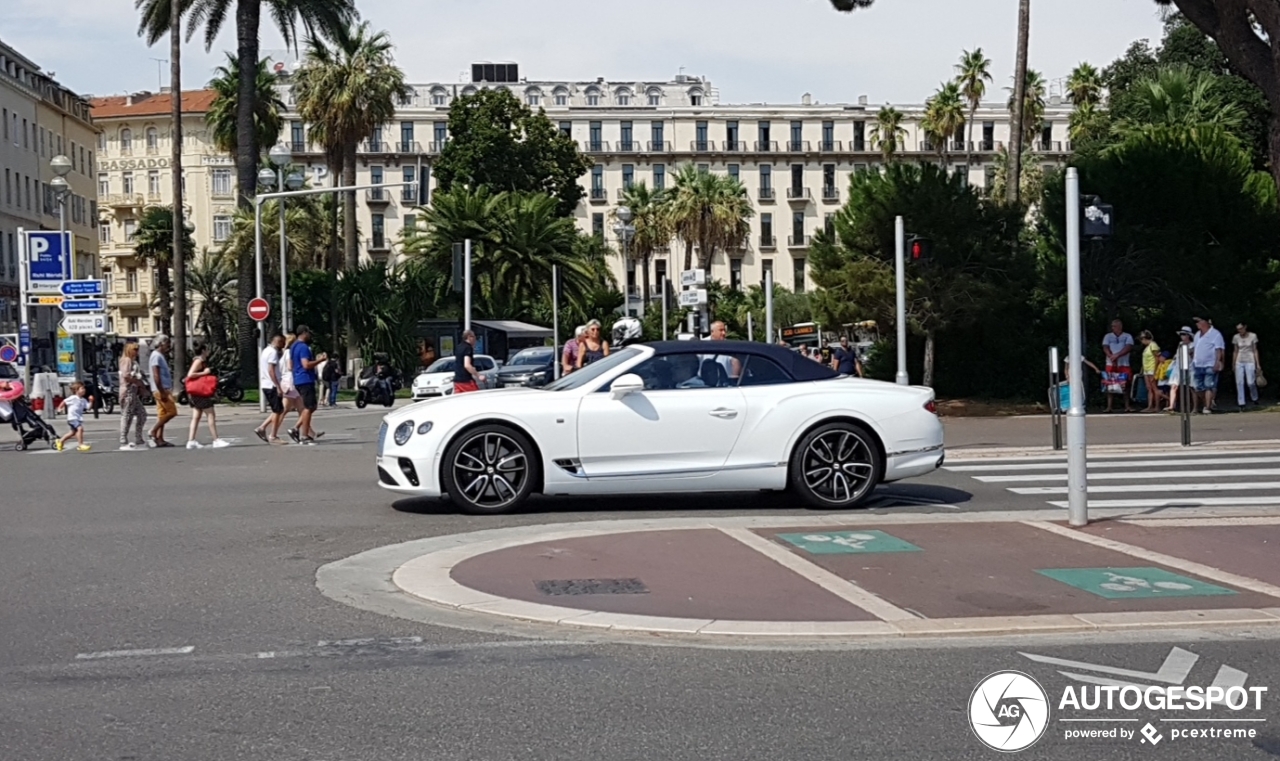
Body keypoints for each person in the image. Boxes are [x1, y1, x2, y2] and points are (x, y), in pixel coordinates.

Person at [184, 342, 229, 449]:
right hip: (200, 392)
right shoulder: (199, 361)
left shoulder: (200, 361)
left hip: (196, 393)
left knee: (196, 416)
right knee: (210, 414)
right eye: (207, 349)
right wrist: (204, 373)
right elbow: (190, 374)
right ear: (203, 350)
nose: (209, 351)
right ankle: (216, 439)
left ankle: (191, 440)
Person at [287, 325, 326, 444]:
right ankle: (304, 435)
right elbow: (306, 364)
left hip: (298, 379)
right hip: (305, 379)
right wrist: (321, 360)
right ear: (304, 333)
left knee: (311, 407)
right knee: (309, 407)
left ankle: (296, 428)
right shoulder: (304, 347)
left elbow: (291, 364)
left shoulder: (293, 346)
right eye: (308, 333)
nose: (309, 335)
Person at [254, 333, 285, 444]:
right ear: (278, 341)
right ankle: (273, 436)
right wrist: (278, 386)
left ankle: (262, 428)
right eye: (282, 342)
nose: (283, 345)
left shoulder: (266, 350)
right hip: (271, 385)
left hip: (266, 384)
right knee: (278, 411)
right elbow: (271, 370)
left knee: (278, 410)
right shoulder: (272, 353)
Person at [147, 334, 177, 447]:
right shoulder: (156, 356)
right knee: (172, 412)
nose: (169, 345)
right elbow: (156, 375)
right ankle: (153, 431)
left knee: (162, 414)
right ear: (161, 344)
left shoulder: (159, 356)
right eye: (167, 343)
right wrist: (162, 391)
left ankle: (160, 439)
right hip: (161, 389)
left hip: (162, 388)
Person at [1191, 316, 1225, 414]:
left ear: (1205, 322)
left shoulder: (1215, 334)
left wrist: (1218, 362)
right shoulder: (1197, 334)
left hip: (1210, 364)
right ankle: (1208, 402)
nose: (1197, 323)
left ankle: (1207, 407)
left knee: (1208, 386)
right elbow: (1196, 349)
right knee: (1198, 387)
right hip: (1197, 364)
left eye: (1199, 321)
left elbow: (1219, 350)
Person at [117, 342, 148, 450]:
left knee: (142, 414)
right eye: (135, 349)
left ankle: (138, 438)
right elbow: (126, 376)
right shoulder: (127, 360)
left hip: (133, 391)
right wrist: (138, 382)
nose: (137, 351)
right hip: (128, 390)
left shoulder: (132, 361)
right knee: (127, 415)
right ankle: (123, 439)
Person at [1101, 319, 1134, 413]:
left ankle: (1127, 406)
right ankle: (1109, 407)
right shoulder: (1108, 336)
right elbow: (1105, 347)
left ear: (1120, 326)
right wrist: (1111, 356)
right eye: (1112, 326)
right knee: (1109, 384)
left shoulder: (1127, 336)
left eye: (1114, 326)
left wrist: (1118, 355)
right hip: (1110, 363)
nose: (1113, 328)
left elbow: (1128, 347)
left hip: (1124, 364)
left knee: (1126, 384)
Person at [53, 382, 91, 452]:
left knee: (72, 433)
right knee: (80, 429)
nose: (84, 390)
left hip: (78, 418)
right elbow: (64, 401)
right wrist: (59, 408)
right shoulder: (73, 398)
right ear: (76, 390)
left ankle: (60, 441)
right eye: (82, 388)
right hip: (72, 418)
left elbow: (88, 407)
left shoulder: (83, 400)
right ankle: (80, 445)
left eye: (84, 388)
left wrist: (91, 401)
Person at [1165, 327, 1195, 412]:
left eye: (1184, 334)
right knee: (1173, 386)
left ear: (1188, 335)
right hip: (1178, 367)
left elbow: (1193, 356)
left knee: (1192, 387)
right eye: (1181, 334)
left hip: (1189, 367)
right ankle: (1171, 406)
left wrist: (1191, 352)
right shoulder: (1180, 344)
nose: (1182, 336)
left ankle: (1195, 407)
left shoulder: (1192, 344)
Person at [1233, 323, 1262, 410]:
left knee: (1250, 382)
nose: (1240, 331)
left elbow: (1255, 350)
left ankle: (1254, 397)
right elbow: (1235, 350)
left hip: (1250, 360)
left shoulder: (1253, 336)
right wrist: (1233, 363)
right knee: (1239, 382)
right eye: (1238, 329)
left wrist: (1258, 364)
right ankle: (1241, 402)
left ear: (1245, 327)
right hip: (1239, 360)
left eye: (1241, 328)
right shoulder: (1236, 337)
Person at [1138, 330, 1163, 412]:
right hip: (1146, 369)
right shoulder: (1147, 347)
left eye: (1142, 340)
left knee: (1154, 388)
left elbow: (1157, 358)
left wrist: (1156, 370)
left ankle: (1157, 406)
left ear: (1145, 338)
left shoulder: (1153, 345)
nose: (1142, 342)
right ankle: (1150, 406)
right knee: (1149, 388)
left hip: (1152, 369)